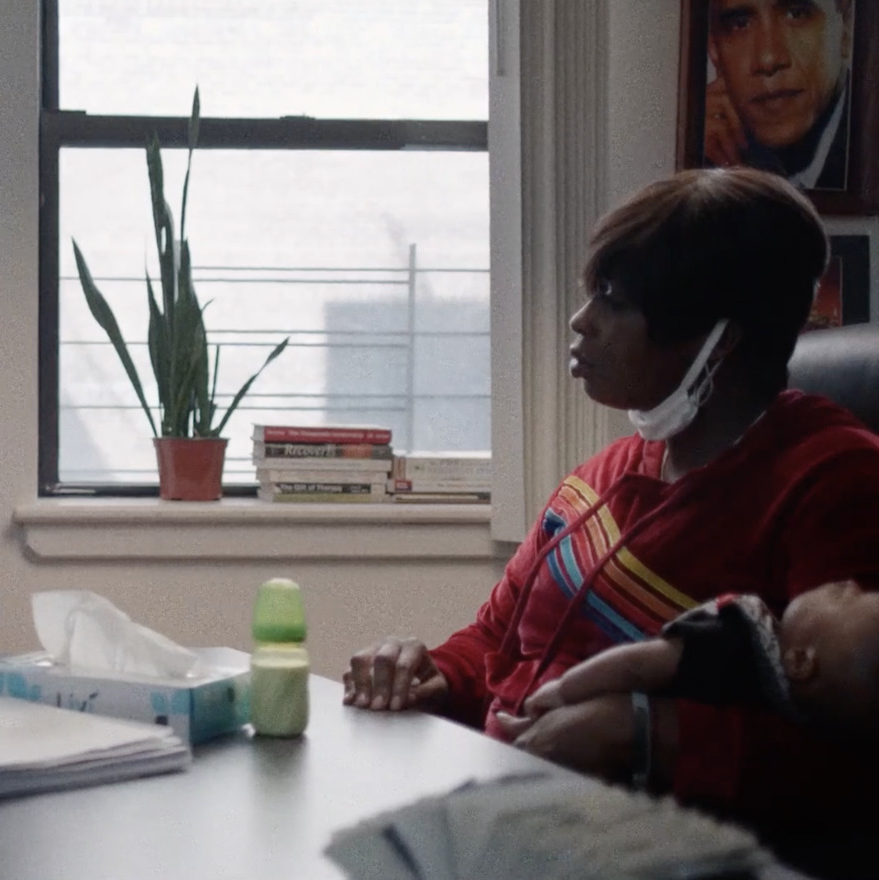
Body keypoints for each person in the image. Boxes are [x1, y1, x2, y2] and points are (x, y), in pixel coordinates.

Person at [341, 168, 879, 872]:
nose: (580, 320)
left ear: (717, 342)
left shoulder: (836, 483)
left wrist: (648, 733)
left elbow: (851, 764)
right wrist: (429, 671)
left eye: (613, 301)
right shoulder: (607, 476)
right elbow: (497, 643)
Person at [523, 581, 879, 739]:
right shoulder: (818, 723)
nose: (850, 582)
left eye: (849, 597)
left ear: (801, 662)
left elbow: (639, 663)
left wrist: (563, 691)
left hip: (580, 716)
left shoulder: (740, 638)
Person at [702, 0, 855, 190]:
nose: (768, 59)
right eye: (740, 24)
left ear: (847, 26)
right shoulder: (701, 157)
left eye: (796, 14)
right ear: (714, 49)